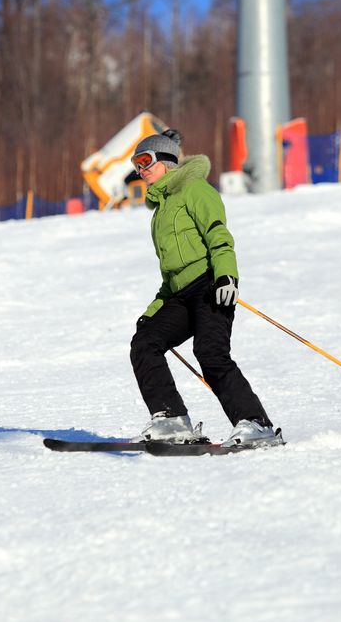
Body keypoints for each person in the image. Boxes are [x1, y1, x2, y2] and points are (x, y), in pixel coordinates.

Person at [127, 128, 281, 447]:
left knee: (210, 353)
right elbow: (171, 276)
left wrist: (227, 277)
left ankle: (256, 425)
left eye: (145, 161)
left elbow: (219, 236)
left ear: (167, 161)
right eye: (135, 164)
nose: (140, 170)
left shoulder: (195, 190)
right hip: (180, 295)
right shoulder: (160, 212)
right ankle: (171, 420)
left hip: (211, 285)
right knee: (145, 341)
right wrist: (152, 313)